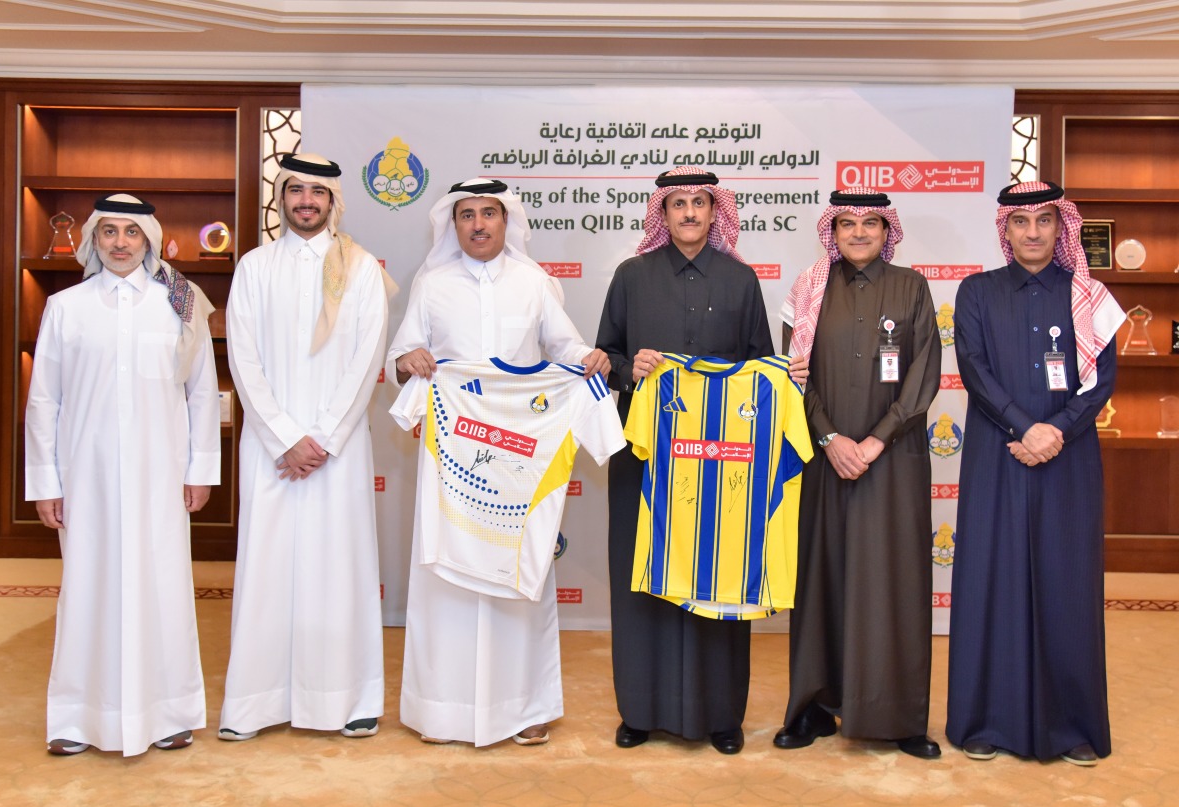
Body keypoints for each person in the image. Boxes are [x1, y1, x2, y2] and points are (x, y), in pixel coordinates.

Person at [387, 177, 610, 747]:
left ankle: (524, 707)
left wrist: (587, 358)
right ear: (452, 223)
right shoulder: (431, 284)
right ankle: (442, 710)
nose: (479, 224)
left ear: (507, 222)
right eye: (467, 215)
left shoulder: (534, 282)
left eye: (490, 213)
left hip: (517, 464)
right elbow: (402, 352)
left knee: (519, 576)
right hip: (453, 458)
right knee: (448, 578)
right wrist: (407, 359)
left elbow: (564, 347)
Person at [595, 166, 785, 755]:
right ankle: (641, 711)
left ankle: (721, 715)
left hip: (722, 463)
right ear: (663, 212)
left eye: (700, 203)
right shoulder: (631, 276)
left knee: (722, 576)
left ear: (714, 211)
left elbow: (762, 366)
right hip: (647, 457)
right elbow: (606, 354)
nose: (690, 214)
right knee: (642, 579)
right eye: (678, 204)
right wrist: (632, 369)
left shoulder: (741, 279)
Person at [25, 193, 220, 756]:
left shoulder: (180, 304)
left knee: (162, 588)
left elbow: (202, 393)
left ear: (149, 240)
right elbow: (44, 402)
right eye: (108, 231)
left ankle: (170, 713)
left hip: (161, 477)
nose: (119, 243)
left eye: (130, 233)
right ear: (92, 240)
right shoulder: (66, 307)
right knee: (87, 589)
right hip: (85, 478)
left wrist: (200, 469)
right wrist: (46, 482)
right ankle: (76, 718)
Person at [946, 181, 1124, 766]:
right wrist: (1026, 427)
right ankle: (984, 721)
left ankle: (1071, 727)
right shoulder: (976, 291)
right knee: (991, 581)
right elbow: (974, 368)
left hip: (1068, 461)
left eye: (1043, 222)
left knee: (1066, 585)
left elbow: (1101, 381)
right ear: (1006, 230)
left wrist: (1056, 433)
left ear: (1059, 226)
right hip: (998, 456)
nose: (1032, 233)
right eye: (1020, 223)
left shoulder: (1089, 295)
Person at [219, 153, 389, 741]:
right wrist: (285, 437)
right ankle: (255, 703)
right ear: (281, 199)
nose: (306, 202)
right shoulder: (253, 266)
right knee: (267, 569)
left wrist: (323, 438)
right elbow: (242, 359)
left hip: (336, 452)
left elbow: (368, 359)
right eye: (296, 191)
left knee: (338, 569)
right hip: (271, 450)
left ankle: (348, 701)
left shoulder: (362, 269)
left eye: (317, 192)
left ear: (334, 201)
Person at [775, 187, 942, 759]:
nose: (860, 233)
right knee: (821, 579)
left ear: (887, 230)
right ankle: (813, 708)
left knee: (891, 583)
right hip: (824, 459)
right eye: (847, 223)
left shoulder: (912, 286)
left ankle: (898, 718)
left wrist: (873, 441)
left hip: (892, 461)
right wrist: (828, 437)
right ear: (833, 230)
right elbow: (792, 377)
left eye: (871, 223)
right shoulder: (808, 288)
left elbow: (923, 375)